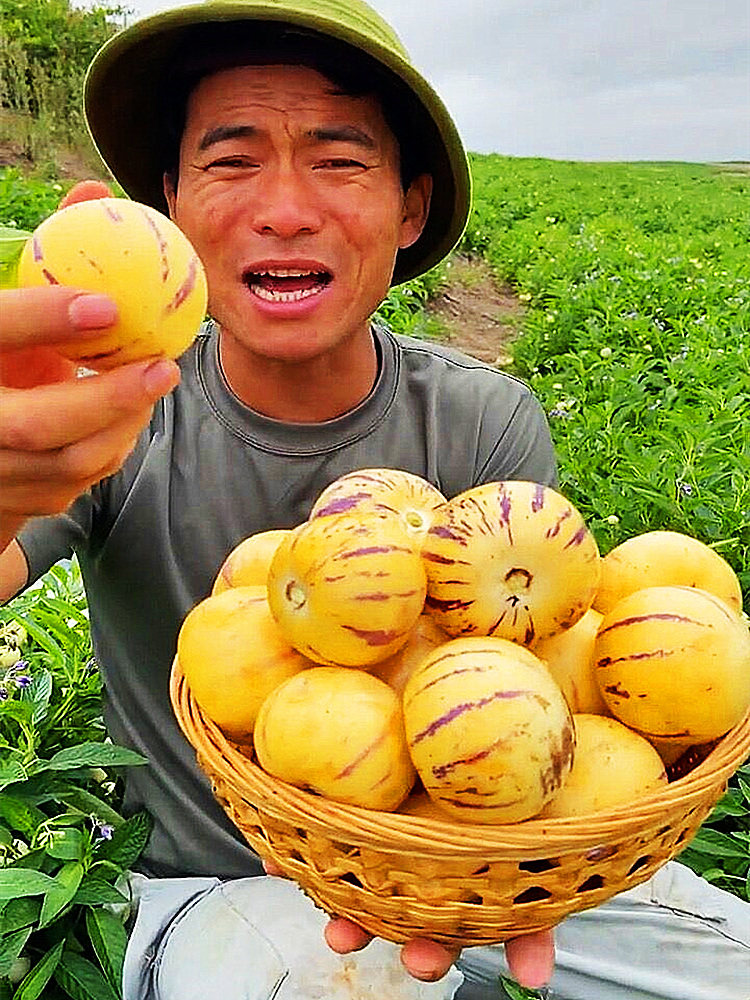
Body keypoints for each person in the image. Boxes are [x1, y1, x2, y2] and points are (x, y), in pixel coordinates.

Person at [0, 2, 747, 998]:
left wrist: (511, 872)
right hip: (218, 885)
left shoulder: (485, 418)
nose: (286, 208)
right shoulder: (106, 417)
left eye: (338, 159)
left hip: (470, 857)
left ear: (409, 206)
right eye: (232, 160)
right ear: (170, 202)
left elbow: (525, 682)